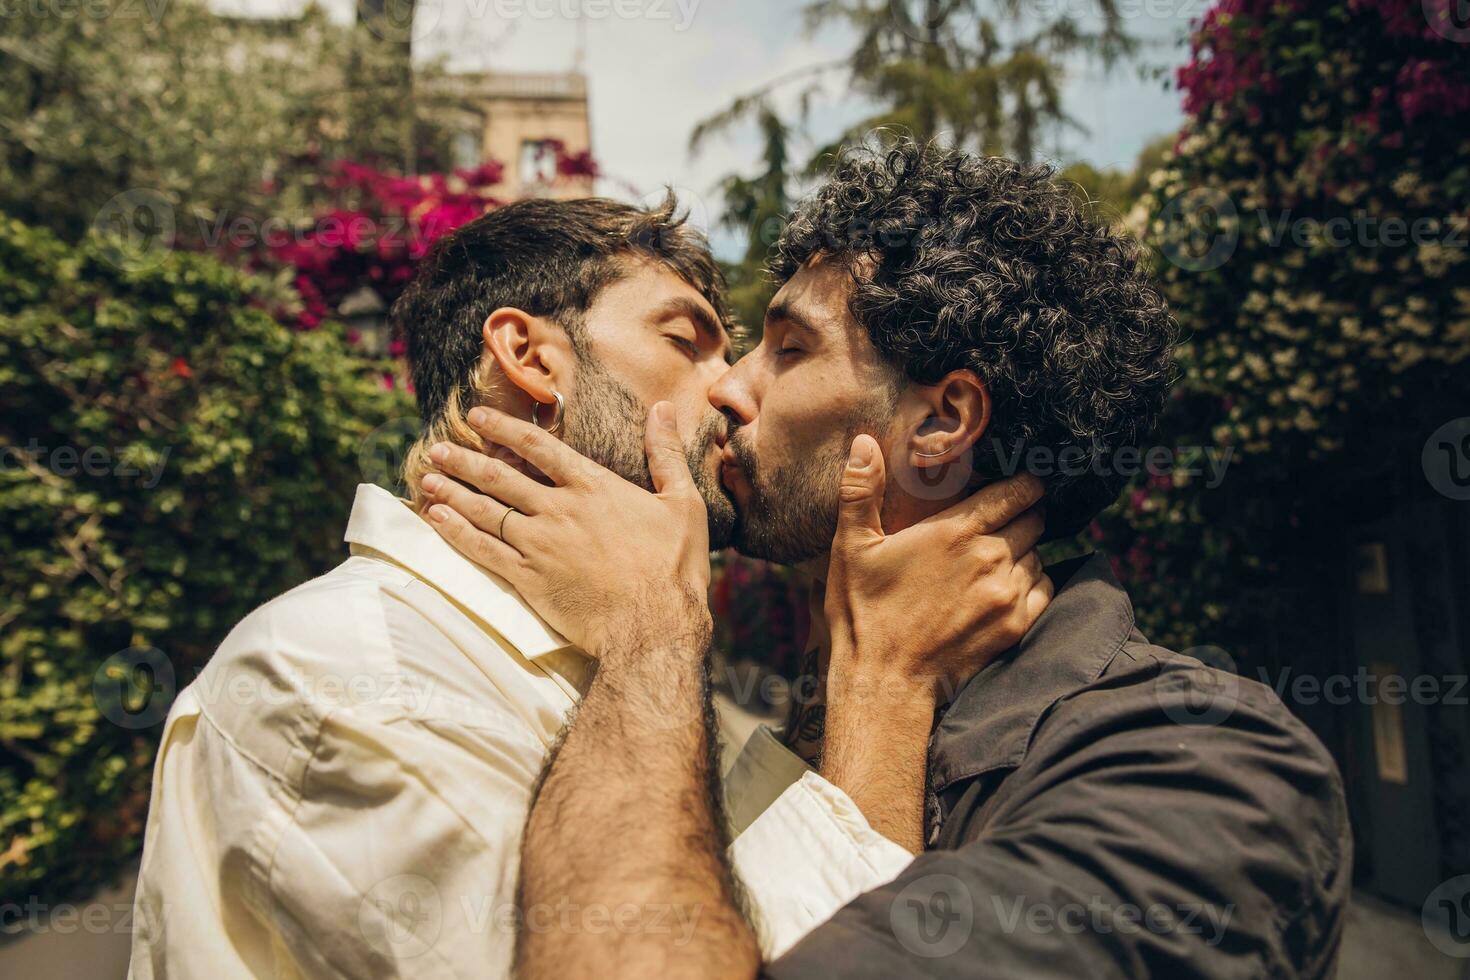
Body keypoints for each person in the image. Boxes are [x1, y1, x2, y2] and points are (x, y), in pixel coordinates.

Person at [424, 141, 1352, 978]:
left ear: (942, 423)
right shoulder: (834, 701)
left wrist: (648, 635)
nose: (729, 387)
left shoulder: (1200, 774)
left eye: (787, 349)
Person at [127, 195, 1048, 978]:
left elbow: (731, 917)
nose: (732, 391)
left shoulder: (556, 650)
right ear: (530, 358)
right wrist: (867, 683)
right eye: (686, 341)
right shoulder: (349, 678)